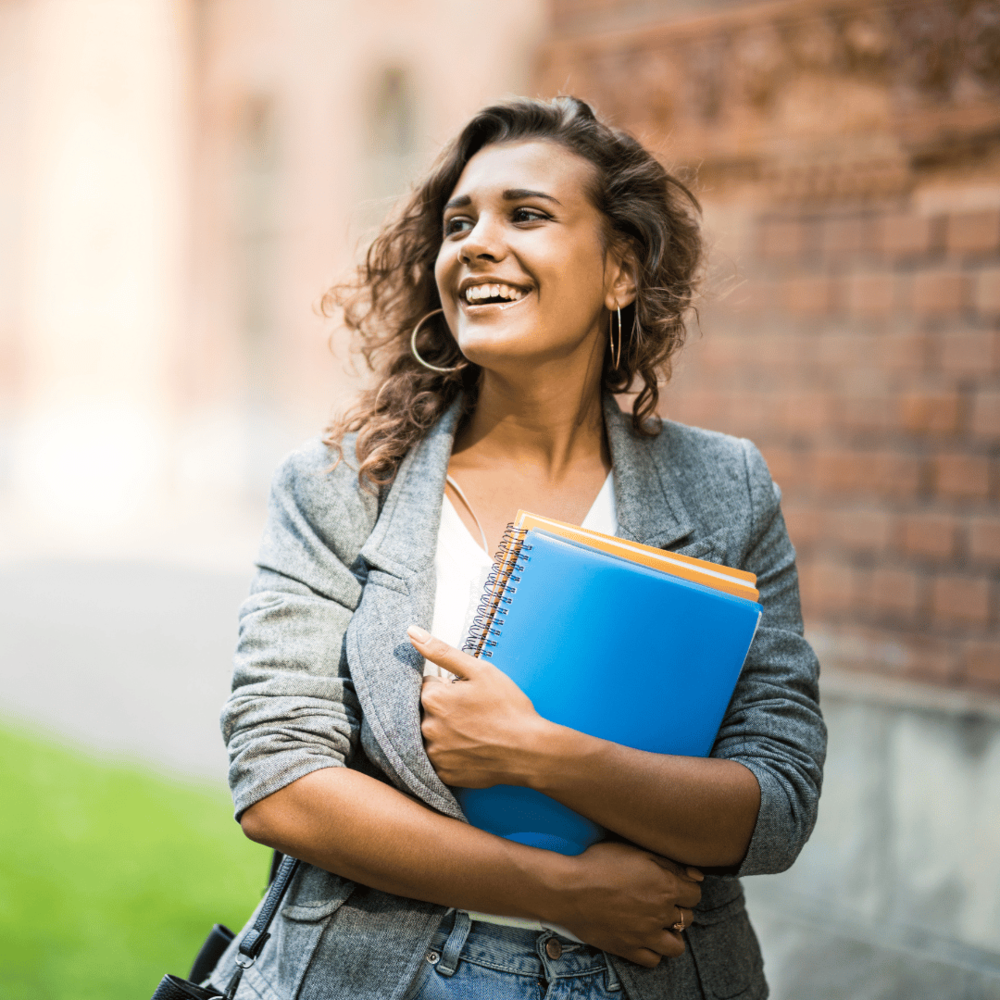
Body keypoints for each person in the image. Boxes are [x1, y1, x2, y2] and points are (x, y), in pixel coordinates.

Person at [210, 96, 826, 1000]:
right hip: (382, 973)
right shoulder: (342, 484)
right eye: (459, 224)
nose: (475, 245)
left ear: (621, 269)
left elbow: (776, 805)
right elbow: (278, 778)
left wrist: (538, 751)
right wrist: (561, 891)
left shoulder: (726, 488)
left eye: (526, 215)